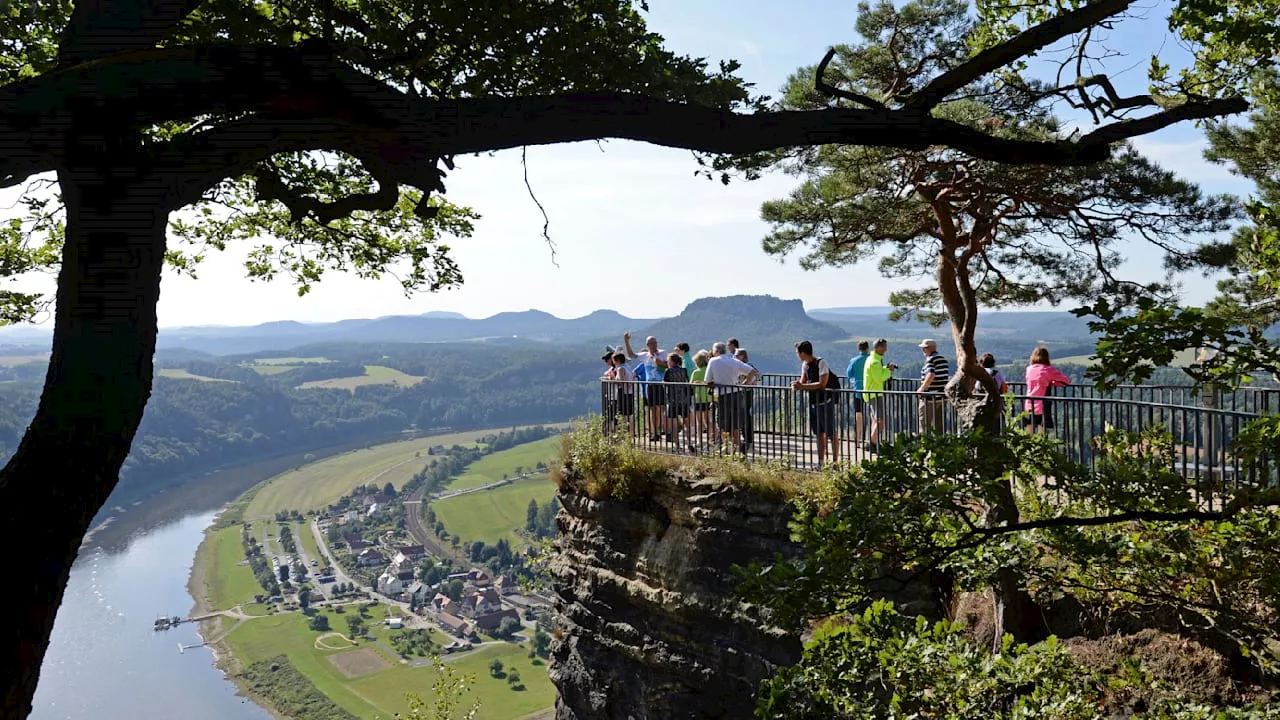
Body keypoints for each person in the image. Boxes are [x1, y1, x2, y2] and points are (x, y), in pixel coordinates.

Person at [703, 342, 758, 455]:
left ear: (716, 351)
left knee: (723, 424)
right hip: (737, 394)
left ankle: (726, 448)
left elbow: (707, 380)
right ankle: (736, 450)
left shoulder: (713, 361)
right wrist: (745, 382)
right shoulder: (734, 361)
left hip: (723, 395)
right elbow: (752, 371)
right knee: (736, 424)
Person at [792, 340, 840, 466]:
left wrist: (802, 387)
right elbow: (803, 380)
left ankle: (835, 463)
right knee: (819, 433)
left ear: (803, 353)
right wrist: (798, 384)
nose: (797, 355)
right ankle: (821, 462)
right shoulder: (805, 365)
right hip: (813, 402)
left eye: (797, 352)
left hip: (825, 401)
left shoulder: (821, 363)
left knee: (831, 433)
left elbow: (822, 384)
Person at [623, 331, 669, 442]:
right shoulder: (645, 356)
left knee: (660, 409)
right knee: (652, 410)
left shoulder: (663, 353)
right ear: (647, 345)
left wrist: (659, 363)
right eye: (651, 343)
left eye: (655, 342)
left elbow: (668, 365)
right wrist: (626, 341)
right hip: (650, 386)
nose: (654, 345)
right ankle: (654, 432)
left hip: (660, 384)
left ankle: (660, 431)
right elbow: (631, 355)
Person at [862, 338, 897, 454]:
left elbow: (877, 374)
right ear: (879, 348)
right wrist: (889, 371)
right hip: (875, 393)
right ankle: (873, 444)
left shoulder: (871, 359)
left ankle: (873, 442)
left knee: (875, 420)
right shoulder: (875, 362)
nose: (886, 349)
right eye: (884, 347)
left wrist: (885, 369)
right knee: (880, 421)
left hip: (871, 393)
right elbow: (879, 378)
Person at [1024, 346, 1070, 433]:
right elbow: (1066, 381)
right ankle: (1040, 445)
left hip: (1029, 403)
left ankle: (1026, 445)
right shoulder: (1047, 370)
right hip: (1042, 404)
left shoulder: (1029, 369)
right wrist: (1052, 382)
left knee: (1028, 429)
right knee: (1042, 429)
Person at [663, 352, 695, 452]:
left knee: (674, 424)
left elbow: (665, 384)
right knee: (686, 423)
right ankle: (689, 442)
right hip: (684, 400)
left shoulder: (668, 371)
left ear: (672, 362)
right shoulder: (684, 370)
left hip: (672, 400)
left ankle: (677, 445)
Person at [917, 339, 950, 434]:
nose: (923, 350)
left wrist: (922, 388)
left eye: (924, 348)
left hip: (929, 397)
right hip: (941, 396)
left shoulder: (930, 360)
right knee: (939, 424)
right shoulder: (943, 359)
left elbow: (931, 374)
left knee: (924, 423)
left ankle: (925, 445)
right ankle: (939, 445)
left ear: (929, 349)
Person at [688, 350, 715, 451]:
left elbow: (690, 384)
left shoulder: (696, 372)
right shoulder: (709, 370)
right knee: (708, 421)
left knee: (699, 422)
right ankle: (710, 440)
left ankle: (699, 440)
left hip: (698, 399)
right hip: (708, 399)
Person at [845, 341, 870, 446]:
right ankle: (870, 440)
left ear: (858, 349)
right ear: (868, 348)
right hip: (871, 391)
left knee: (858, 415)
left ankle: (858, 440)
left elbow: (849, 374)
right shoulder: (871, 360)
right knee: (872, 415)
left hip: (858, 391)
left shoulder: (854, 360)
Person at [734, 348, 758, 450]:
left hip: (746, 392)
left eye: (737, 355)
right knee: (741, 415)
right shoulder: (738, 366)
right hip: (741, 392)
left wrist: (745, 384)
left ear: (743, 356)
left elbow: (755, 378)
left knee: (745, 416)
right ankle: (745, 439)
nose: (735, 357)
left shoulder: (748, 366)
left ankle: (748, 439)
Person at [608, 351, 636, 436]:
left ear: (617, 360)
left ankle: (623, 435)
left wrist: (613, 378)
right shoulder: (628, 367)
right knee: (630, 414)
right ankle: (632, 433)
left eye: (614, 360)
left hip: (623, 393)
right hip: (630, 392)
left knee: (622, 415)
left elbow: (621, 381)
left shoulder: (620, 369)